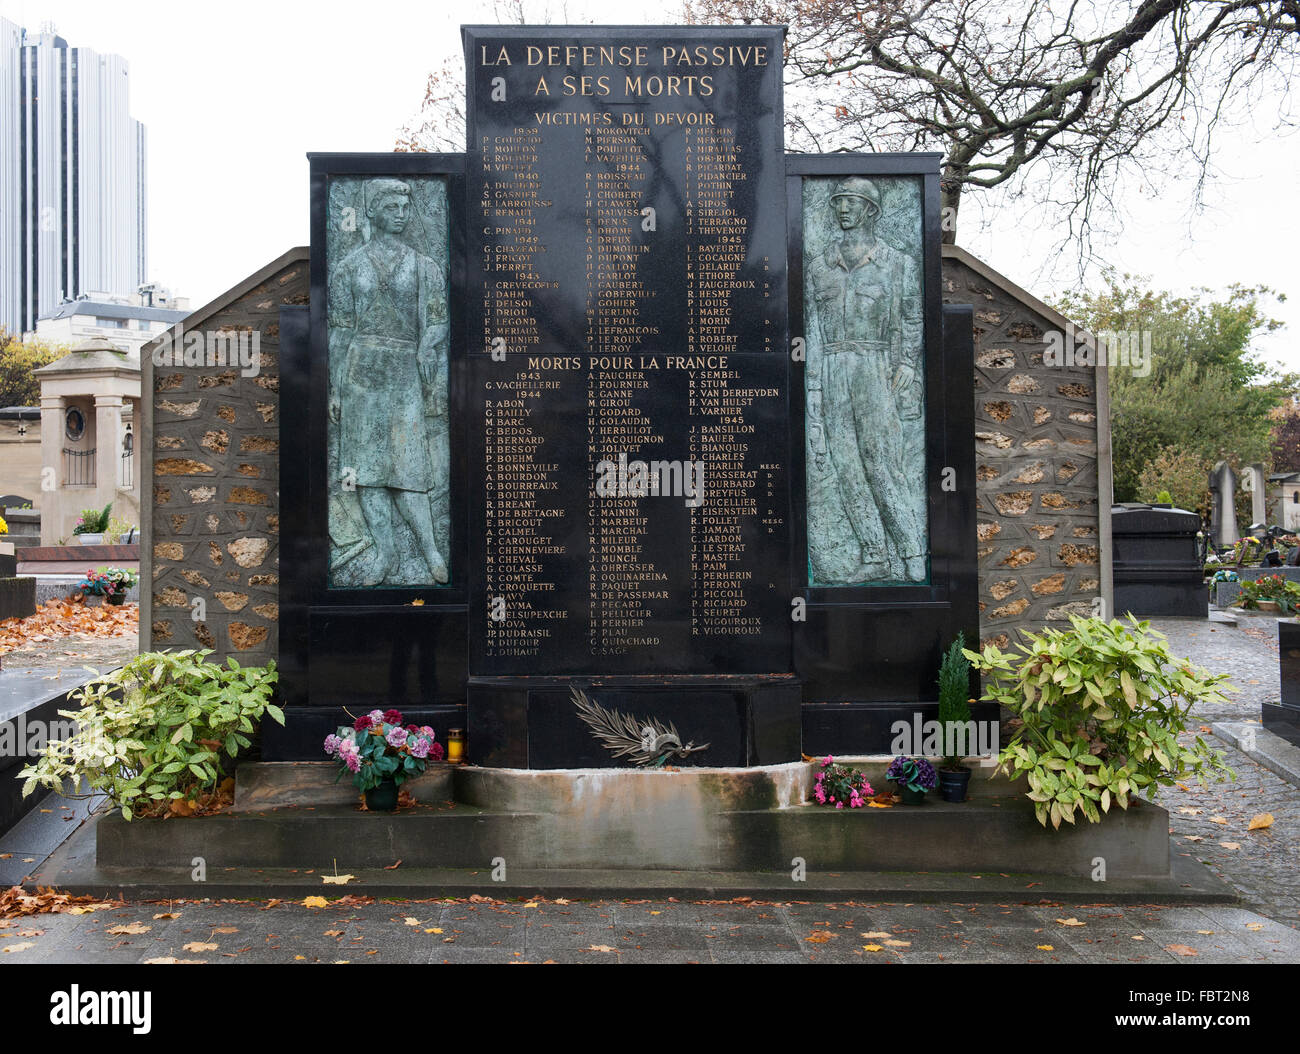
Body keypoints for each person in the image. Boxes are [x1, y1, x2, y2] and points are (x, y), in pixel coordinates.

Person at [805, 176, 927, 582]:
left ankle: (911, 552)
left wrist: (907, 363)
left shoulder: (897, 263)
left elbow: (911, 316)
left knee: (882, 464)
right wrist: (815, 390)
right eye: (838, 201)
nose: (842, 208)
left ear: (871, 210)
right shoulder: (819, 267)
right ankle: (874, 555)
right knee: (847, 467)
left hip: (875, 369)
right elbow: (814, 334)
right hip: (834, 367)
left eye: (851, 202)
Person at [328, 178, 449, 585]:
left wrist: (426, 348)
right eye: (392, 207)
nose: (400, 214)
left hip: (403, 373)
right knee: (365, 471)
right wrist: (335, 386)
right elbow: (341, 330)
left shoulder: (423, 265)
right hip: (361, 373)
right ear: (373, 211)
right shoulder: (349, 268)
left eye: (404, 207)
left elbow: (437, 319)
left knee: (408, 469)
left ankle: (431, 549)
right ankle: (386, 552)